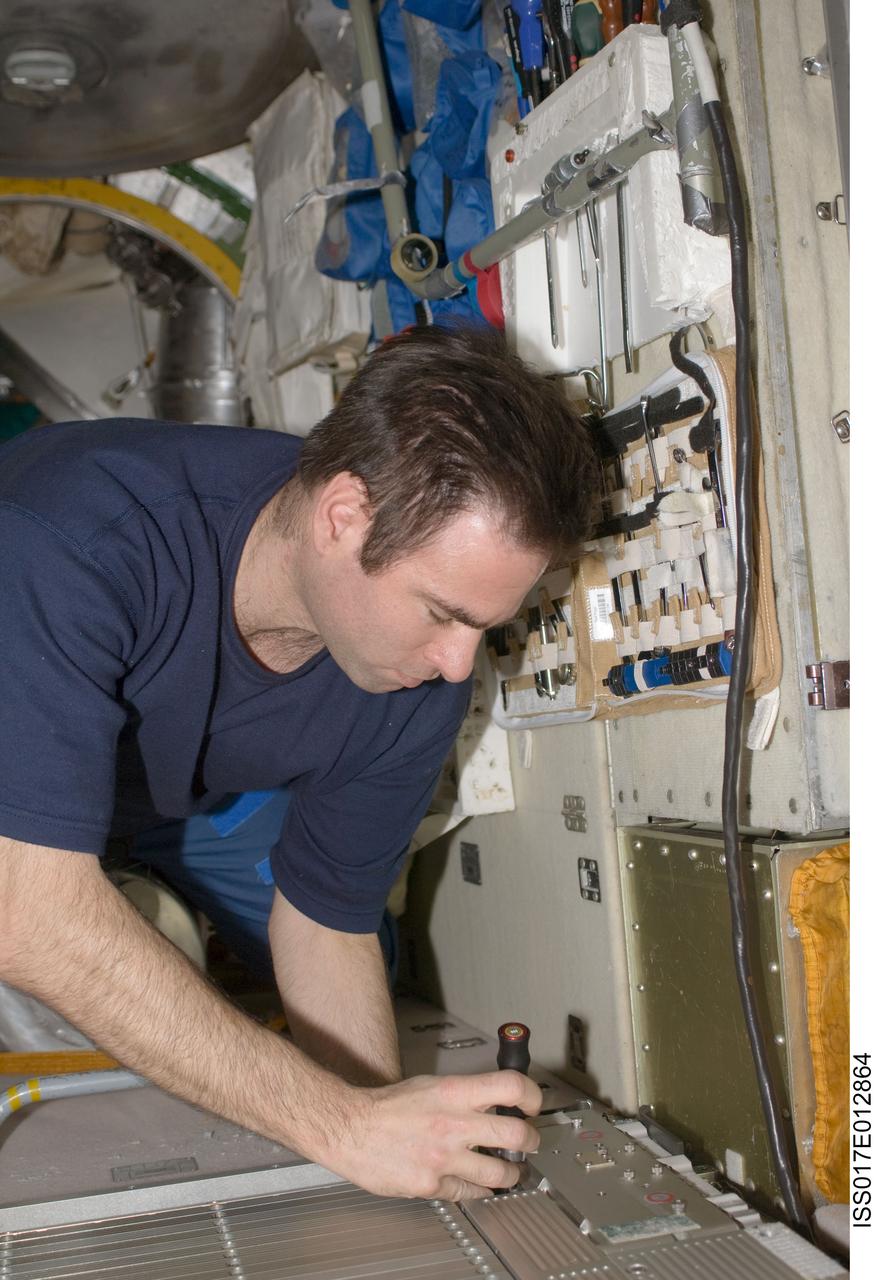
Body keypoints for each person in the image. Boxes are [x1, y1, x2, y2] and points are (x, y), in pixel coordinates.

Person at [0, 324, 599, 1200]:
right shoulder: (69, 540)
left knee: (340, 1005)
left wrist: (386, 1136)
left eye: (483, 624)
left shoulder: (419, 675)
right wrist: (340, 1125)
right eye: (440, 612)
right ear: (342, 517)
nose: (460, 665)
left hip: (177, 790)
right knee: (65, 996)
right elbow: (26, 914)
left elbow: (328, 916)